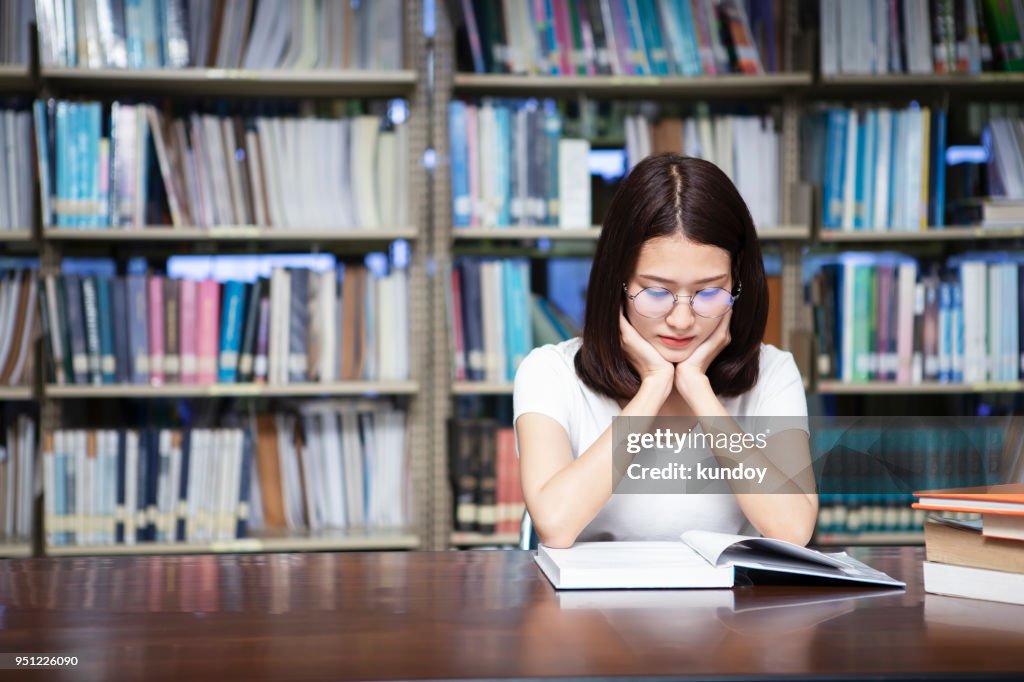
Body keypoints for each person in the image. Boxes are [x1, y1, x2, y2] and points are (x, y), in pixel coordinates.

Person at [513, 154, 817, 549]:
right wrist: (653, 389)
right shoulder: (550, 372)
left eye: (709, 292)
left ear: (739, 285)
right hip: (589, 609)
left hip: (733, 608)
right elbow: (555, 523)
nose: (682, 320)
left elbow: (793, 529)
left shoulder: (773, 373)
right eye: (656, 292)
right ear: (617, 282)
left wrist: (700, 393)